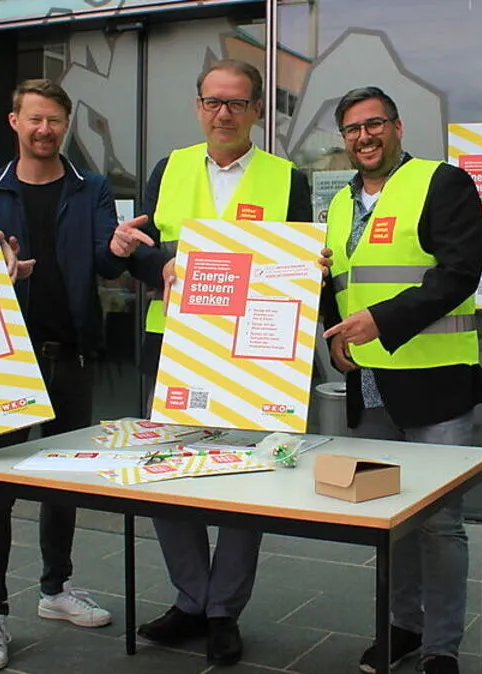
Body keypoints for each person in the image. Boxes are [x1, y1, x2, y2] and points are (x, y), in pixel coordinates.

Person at [107, 59, 313, 667]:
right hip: (174, 346)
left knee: (248, 480)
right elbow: (139, 249)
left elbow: (301, 260)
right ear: (198, 106)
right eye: (213, 102)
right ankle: (191, 599)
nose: (224, 114)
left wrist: (313, 266)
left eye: (237, 103)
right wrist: (161, 263)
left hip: (256, 353)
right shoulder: (167, 169)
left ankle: (224, 609)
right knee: (169, 474)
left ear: (256, 111)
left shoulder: (287, 179)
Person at [0, 78, 149, 671]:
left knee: (63, 483)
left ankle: (55, 590)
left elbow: (103, 263)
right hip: (4, 362)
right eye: (35, 119)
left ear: (65, 126)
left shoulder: (90, 187)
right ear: (14, 121)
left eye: (55, 121)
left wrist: (117, 248)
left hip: (70, 355)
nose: (45, 130)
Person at [321, 86, 482, 674]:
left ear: (397, 127)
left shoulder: (442, 183)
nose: (364, 137)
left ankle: (442, 647)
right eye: (353, 129)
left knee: (441, 524)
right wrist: (336, 336)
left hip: (435, 384)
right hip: (370, 386)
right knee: (388, 518)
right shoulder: (339, 205)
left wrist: (381, 320)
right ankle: (403, 628)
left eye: (375, 124)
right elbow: (340, 284)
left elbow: (459, 273)